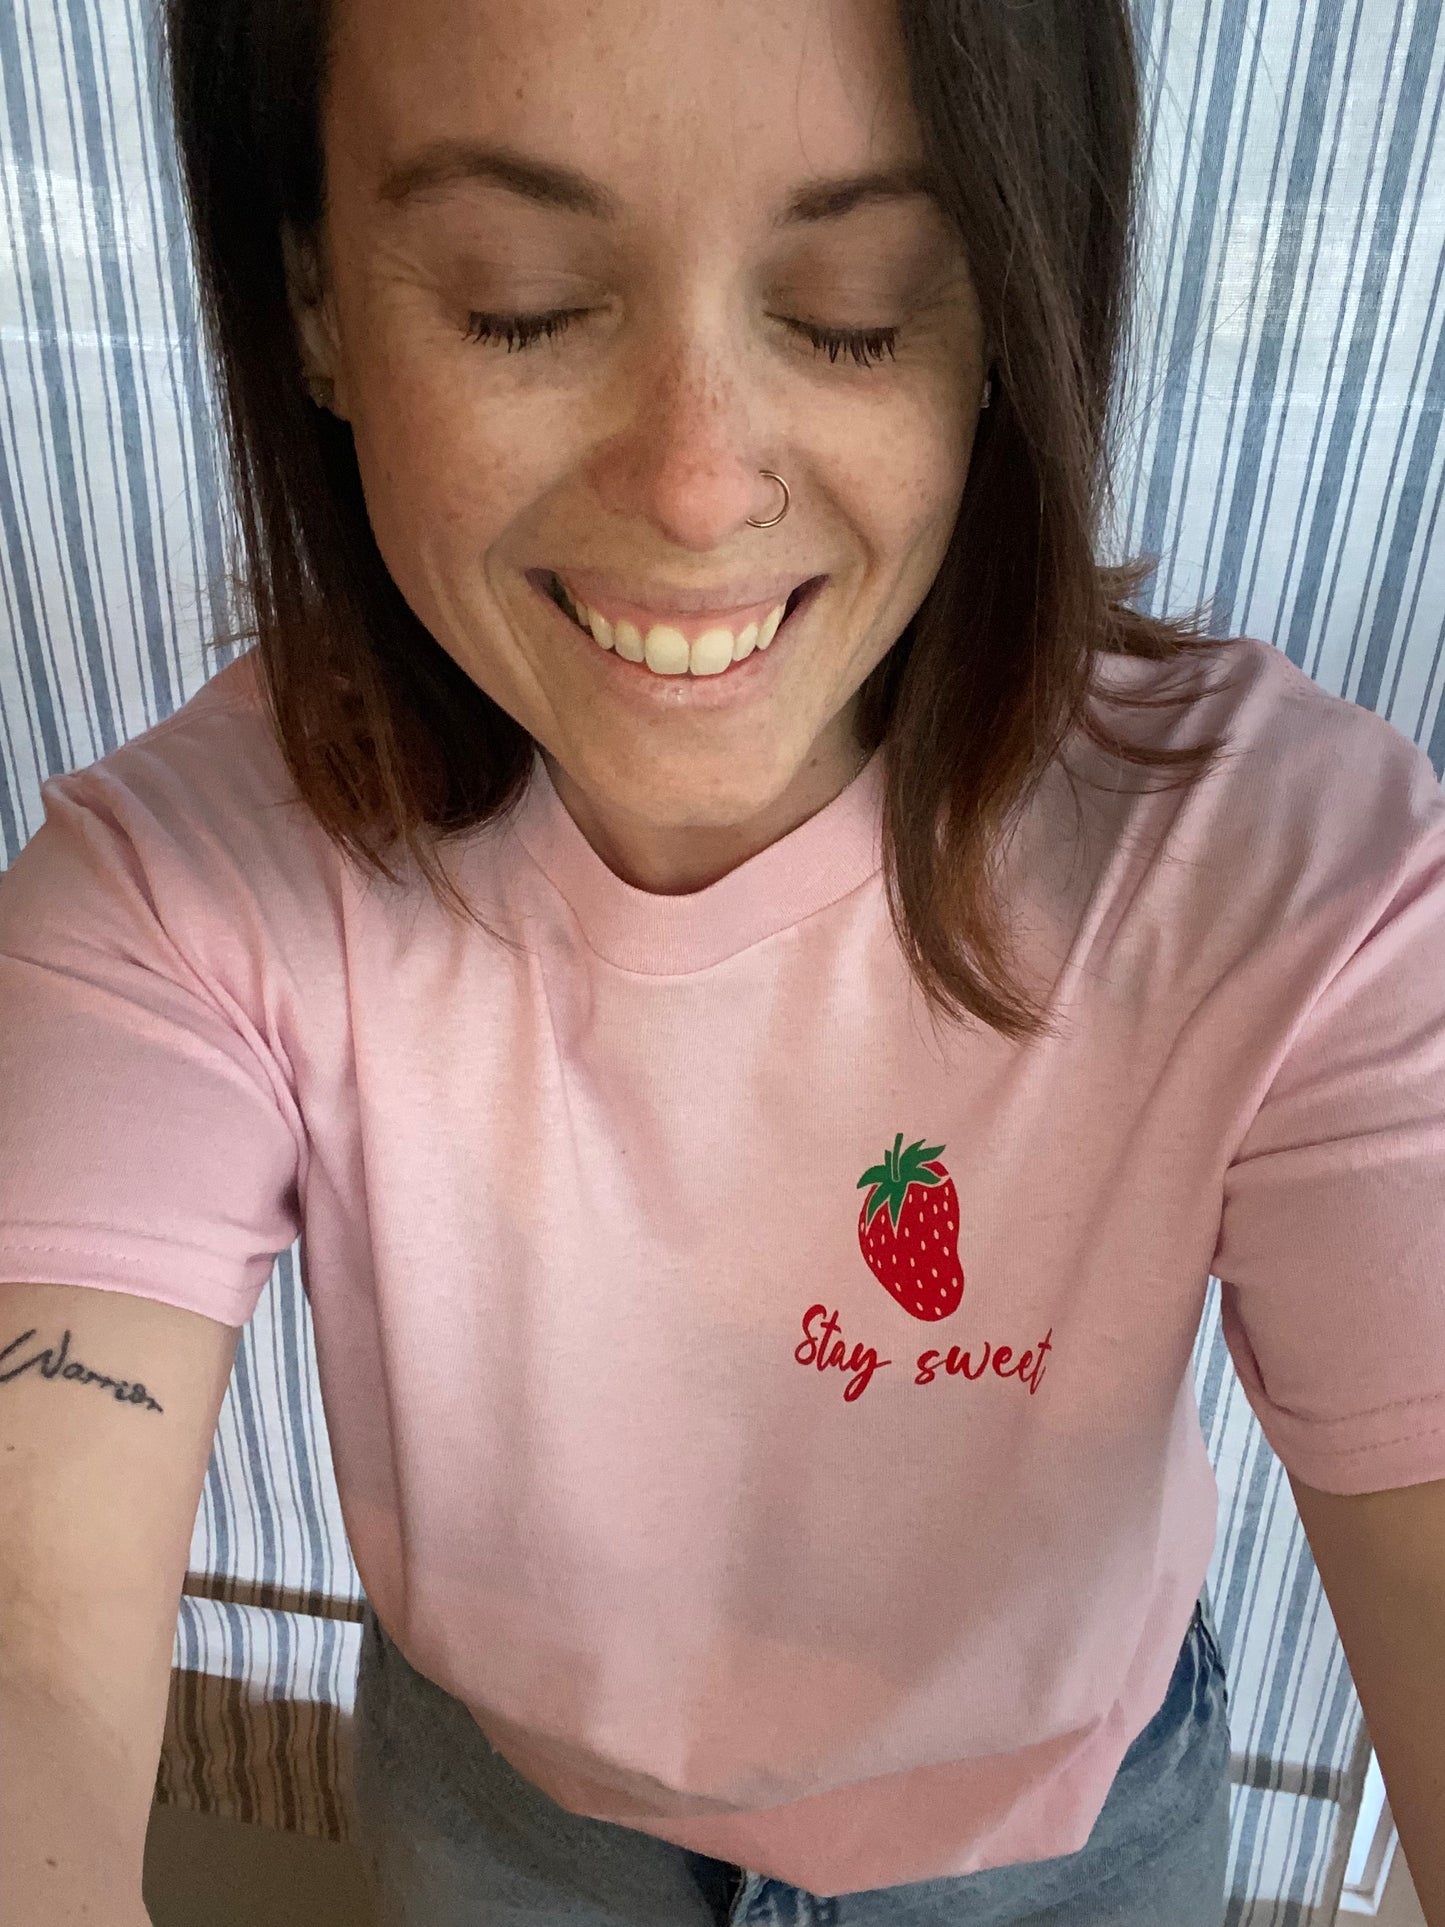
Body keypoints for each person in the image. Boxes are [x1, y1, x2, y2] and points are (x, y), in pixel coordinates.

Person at [4, 0, 1445, 1923]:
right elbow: (30, 1617)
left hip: (1061, 1846)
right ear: (319, 302)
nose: (694, 486)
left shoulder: (1285, 882)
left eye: (856, 304)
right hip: (508, 1820)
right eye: (516, 303)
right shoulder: (174, 892)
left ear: (1007, 315)